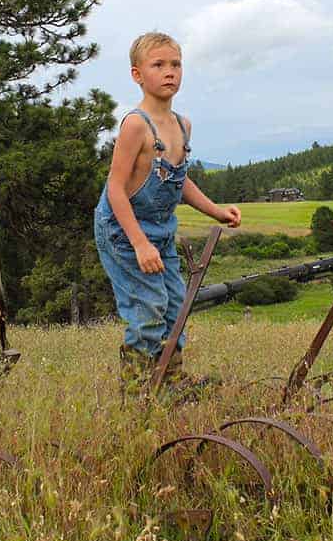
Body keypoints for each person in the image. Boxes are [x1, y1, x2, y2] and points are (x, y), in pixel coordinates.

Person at [93, 31, 241, 394]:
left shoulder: (181, 125)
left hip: (159, 231)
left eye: (175, 64)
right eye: (158, 65)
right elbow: (115, 189)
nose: (169, 72)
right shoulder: (135, 125)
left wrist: (216, 212)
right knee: (148, 308)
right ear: (137, 74)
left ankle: (171, 382)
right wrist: (140, 244)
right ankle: (137, 393)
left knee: (176, 304)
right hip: (123, 230)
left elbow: (178, 180)